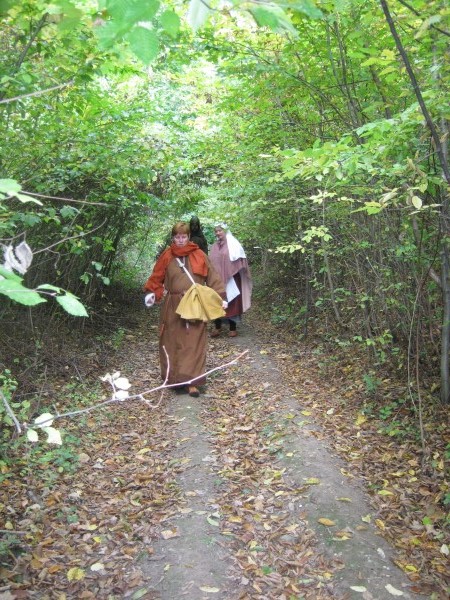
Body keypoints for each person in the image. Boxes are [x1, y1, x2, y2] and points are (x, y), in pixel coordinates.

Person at [143, 221, 226, 397]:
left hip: (195, 303)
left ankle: (192, 382)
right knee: (171, 341)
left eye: (183, 237)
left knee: (194, 341)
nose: (180, 240)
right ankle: (174, 379)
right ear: (173, 238)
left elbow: (213, 276)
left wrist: (221, 297)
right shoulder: (167, 255)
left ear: (188, 237)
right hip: (173, 305)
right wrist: (152, 294)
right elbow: (156, 277)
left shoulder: (199, 254)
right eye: (177, 237)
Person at [209, 223, 252, 337]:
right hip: (217, 281)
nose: (218, 233)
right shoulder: (215, 246)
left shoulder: (233, 244)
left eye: (220, 230)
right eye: (216, 231)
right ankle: (217, 327)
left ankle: (233, 328)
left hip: (232, 279)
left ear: (225, 230)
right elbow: (211, 262)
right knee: (217, 301)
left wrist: (232, 271)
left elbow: (240, 260)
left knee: (232, 302)